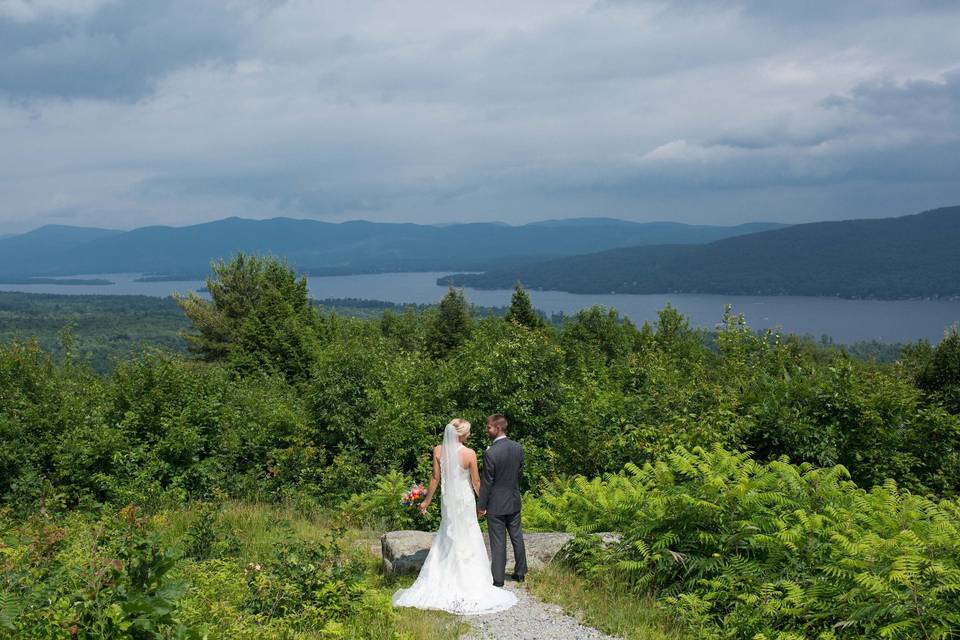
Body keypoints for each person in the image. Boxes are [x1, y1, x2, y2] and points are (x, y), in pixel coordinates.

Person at [392, 418, 518, 615]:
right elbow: (476, 481)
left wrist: (426, 501)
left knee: (448, 535)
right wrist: (483, 504)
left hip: (448, 502)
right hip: (464, 502)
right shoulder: (469, 453)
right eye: (467, 432)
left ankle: (445, 573)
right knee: (467, 534)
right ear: (460, 434)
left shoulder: (437, 450)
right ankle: (469, 578)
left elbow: (435, 478)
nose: (469, 435)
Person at [477, 414, 528, 587]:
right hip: (513, 500)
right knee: (517, 537)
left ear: (498, 428)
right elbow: (519, 474)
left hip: (496, 504)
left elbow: (487, 482)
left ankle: (498, 579)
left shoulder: (491, 453)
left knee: (498, 541)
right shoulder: (518, 448)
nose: (487, 429)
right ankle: (520, 573)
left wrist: (481, 505)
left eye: (489, 427)